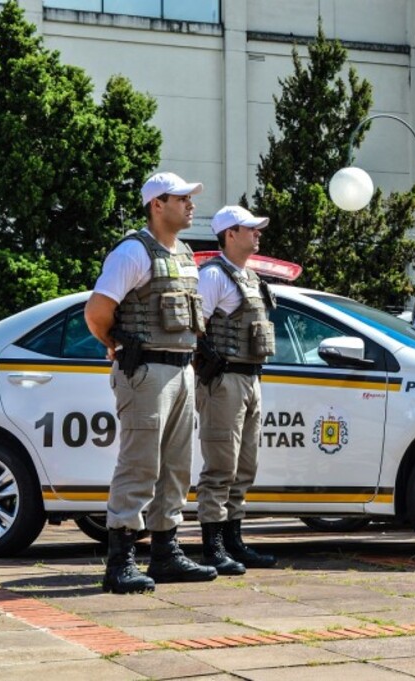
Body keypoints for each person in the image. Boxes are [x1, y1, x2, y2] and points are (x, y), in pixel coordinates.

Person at [84, 171, 217, 594]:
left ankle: (165, 553)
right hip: (145, 372)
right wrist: (116, 343)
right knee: (139, 463)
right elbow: (97, 309)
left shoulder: (183, 254)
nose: (190, 204)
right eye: (181, 198)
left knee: (176, 468)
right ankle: (120, 560)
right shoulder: (133, 252)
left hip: (180, 368)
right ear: (157, 205)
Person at [194, 205, 278, 574]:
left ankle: (233, 541)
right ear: (230, 234)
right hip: (224, 379)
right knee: (220, 467)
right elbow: (196, 328)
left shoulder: (250, 276)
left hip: (250, 377)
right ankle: (212, 546)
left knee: (245, 466)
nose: (257, 234)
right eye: (250, 229)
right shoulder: (213, 276)